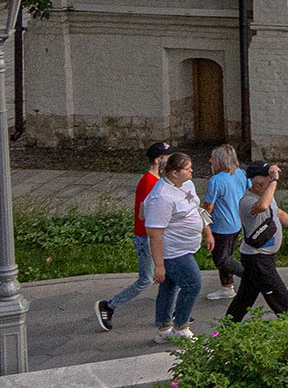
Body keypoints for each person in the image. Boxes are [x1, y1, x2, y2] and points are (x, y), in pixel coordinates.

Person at [225, 161, 288, 323]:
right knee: (281, 298)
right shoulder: (247, 201)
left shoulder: (267, 194)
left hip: (265, 257)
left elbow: (279, 213)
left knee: (244, 299)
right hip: (257, 258)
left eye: (269, 175)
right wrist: (274, 181)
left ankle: (224, 331)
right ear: (254, 181)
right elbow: (263, 206)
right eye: (265, 176)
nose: (268, 178)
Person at [98, 141, 171, 331]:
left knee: (168, 276)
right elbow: (144, 212)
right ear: (158, 160)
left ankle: (168, 316)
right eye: (167, 157)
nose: (170, 160)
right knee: (148, 279)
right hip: (145, 237)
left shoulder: (156, 181)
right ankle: (109, 305)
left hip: (150, 236)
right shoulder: (149, 182)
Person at [143, 149, 210, 342]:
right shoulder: (162, 197)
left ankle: (164, 328)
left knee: (170, 287)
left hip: (185, 246)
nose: (192, 172)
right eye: (188, 169)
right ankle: (180, 326)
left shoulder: (186, 184)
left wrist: (207, 231)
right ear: (174, 173)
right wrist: (159, 265)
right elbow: (154, 233)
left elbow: (196, 209)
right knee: (192, 283)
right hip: (173, 251)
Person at [202, 145, 249, 301]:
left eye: (213, 158)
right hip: (237, 222)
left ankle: (251, 276)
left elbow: (208, 206)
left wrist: (203, 225)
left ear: (220, 160)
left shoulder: (215, 181)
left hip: (221, 226)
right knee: (228, 255)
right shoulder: (240, 174)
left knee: (221, 260)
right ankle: (227, 287)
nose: (210, 161)